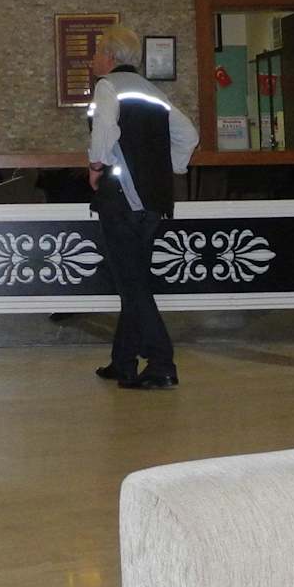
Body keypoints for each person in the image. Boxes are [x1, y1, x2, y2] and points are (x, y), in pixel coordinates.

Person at [86, 26, 198, 390]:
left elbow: (105, 131)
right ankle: (123, 360)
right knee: (133, 279)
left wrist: (96, 165)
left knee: (131, 283)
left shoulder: (108, 87)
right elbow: (188, 135)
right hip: (153, 201)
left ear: (110, 56)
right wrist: (171, 167)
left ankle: (161, 361)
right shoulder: (152, 92)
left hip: (121, 198)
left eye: (97, 52)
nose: (92, 60)